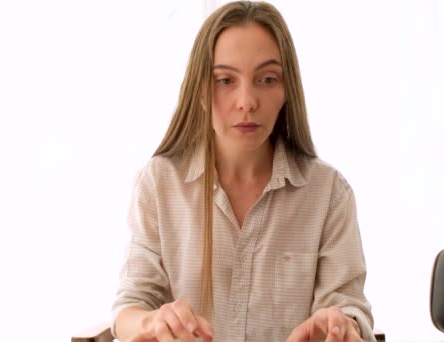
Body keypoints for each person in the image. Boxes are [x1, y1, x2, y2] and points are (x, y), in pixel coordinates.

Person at [111, 1, 375, 341]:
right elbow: (130, 307)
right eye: (225, 80)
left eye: (267, 79)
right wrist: (152, 323)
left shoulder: (329, 193)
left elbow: (350, 306)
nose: (247, 101)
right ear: (200, 90)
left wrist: (341, 325)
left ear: (286, 91)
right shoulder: (159, 184)